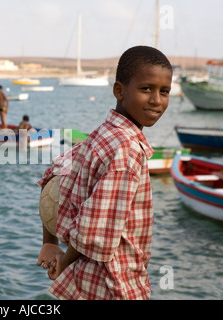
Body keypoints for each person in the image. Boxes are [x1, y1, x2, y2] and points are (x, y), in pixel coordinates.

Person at [36, 45, 173, 300]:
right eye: (146, 89)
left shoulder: (102, 134)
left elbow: (52, 176)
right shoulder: (128, 150)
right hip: (114, 284)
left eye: (164, 91)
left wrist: (50, 241)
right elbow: (93, 230)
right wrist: (62, 261)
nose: (156, 100)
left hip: (84, 281)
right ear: (119, 90)